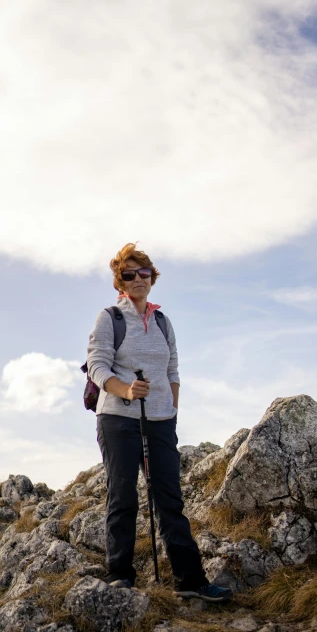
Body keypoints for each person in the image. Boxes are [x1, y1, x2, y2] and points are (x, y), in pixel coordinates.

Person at [86, 242, 232, 601]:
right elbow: (97, 365)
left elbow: (172, 370)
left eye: (144, 273)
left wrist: (171, 409)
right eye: (130, 274)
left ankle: (191, 581)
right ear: (120, 281)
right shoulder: (110, 318)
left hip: (161, 420)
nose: (138, 279)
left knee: (169, 499)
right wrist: (126, 390)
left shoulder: (164, 321)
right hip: (118, 418)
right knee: (122, 496)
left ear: (152, 277)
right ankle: (120, 574)